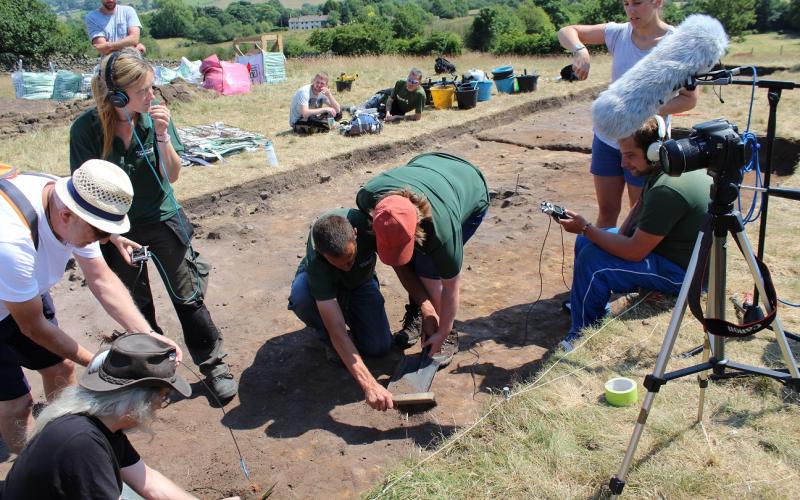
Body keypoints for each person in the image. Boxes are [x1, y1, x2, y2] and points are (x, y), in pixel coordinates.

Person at [69, 48, 238, 401]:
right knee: (137, 305)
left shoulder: (154, 119)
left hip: (162, 218)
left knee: (187, 297)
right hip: (116, 227)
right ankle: (158, 373)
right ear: (117, 94)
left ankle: (214, 365)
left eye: (152, 88)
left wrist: (162, 136)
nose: (152, 96)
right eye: (144, 89)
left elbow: (172, 176)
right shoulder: (86, 130)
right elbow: (84, 189)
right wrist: (112, 234)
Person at [0, 159, 182, 454]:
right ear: (66, 215)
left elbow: (102, 279)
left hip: (22, 290)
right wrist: (104, 365)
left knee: (61, 366)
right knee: (17, 403)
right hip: (9, 298)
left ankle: (62, 448)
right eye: (98, 233)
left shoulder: (72, 202)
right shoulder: (11, 242)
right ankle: (35, 467)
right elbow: (32, 328)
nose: (101, 241)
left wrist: (147, 336)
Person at [556, 117, 712, 351]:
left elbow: (634, 252)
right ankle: (592, 307)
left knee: (595, 263)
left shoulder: (666, 189)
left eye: (630, 155)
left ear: (653, 152)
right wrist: (596, 235)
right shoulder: (668, 167)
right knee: (589, 241)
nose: (622, 163)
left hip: (685, 277)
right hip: (677, 259)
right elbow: (637, 209)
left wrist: (587, 228)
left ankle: (583, 336)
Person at [1, 333, 196, 499]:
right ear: (137, 402)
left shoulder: (100, 424)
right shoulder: (82, 444)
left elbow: (148, 481)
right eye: (163, 397)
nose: (159, 407)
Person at [557, 0, 698, 229]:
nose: (631, 10)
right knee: (607, 212)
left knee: (639, 216)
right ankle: (603, 261)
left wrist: (645, 108)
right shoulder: (618, 33)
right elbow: (566, 31)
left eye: (638, 3)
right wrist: (580, 50)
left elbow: (689, 99)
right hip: (608, 139)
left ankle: (632, 263)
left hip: (647, 146)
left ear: (657, 2)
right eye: (626, 4)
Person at [288, 210, 427, 411]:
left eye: (351, 260)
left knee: (379, 347)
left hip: (362, 283)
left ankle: (353, 315)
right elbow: (337, 330)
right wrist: (370, 385)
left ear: (355, 233)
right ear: (321, 252)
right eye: (339, 264)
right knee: (301, 296)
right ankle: (328, 339)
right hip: (327, 289)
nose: (347, 267)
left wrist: (425, 305)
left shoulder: (371, 227)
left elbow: (400, 262)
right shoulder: (318, 263)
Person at [356, 152, 490, 357]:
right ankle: (422, 311)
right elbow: (399, 261)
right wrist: (425, 306)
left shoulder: (443, 232)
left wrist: (442, 330)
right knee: (414, 263)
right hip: (427, 163)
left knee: (428, 269)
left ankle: (445, 334)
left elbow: (450, 288)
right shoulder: (367, 198)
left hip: (469, 183)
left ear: (417, 227)